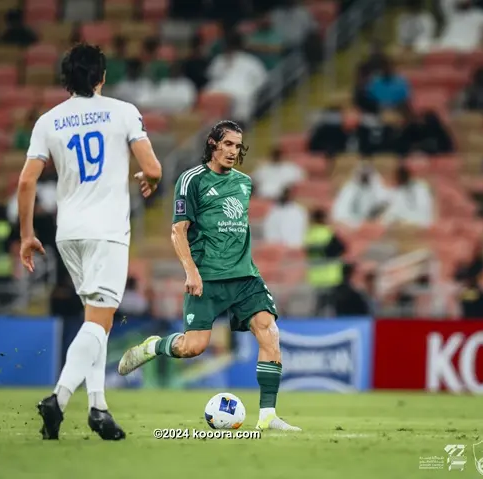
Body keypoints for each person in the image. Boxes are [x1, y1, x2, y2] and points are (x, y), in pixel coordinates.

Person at [17, 43, 162, 441]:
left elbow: (27, 179)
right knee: (100, 321)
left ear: (66, 79)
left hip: (69, 234)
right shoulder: (123, 111)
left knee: (95, 318)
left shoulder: (48, 121)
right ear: (102, 77)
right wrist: (150, 177)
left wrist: (27, 235)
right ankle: (59, 399)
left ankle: (99, 408)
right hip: (108, 232)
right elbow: (152, 166)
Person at [118, 120, 301, 432]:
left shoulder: (244, 183)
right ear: (213, 144)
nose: (233, 151)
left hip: (245, 277)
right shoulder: (191, 180)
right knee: (193, 347)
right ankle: (153, 346)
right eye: (227, 144)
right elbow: (178, 231)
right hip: (207, 278)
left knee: (269, 331)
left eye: (237, 146)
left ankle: (268, 415)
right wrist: (191, 272)